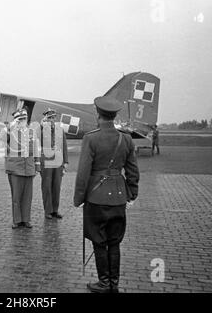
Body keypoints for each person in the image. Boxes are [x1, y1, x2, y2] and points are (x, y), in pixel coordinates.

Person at [73, 95, 139, 293]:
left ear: (98, 114)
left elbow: (83, 172)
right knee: (114, 242)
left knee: (99, 241)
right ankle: (114, 284)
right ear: (114, 115)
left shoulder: (91, 138)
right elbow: (133, 170)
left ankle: (103, 283)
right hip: (118, 197)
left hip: (96, 197)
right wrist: (131, 193)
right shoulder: (126, 139)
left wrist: (78, 198)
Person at [0, 108, 41, 229]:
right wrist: (11, 126)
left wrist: (37, 166)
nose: (23, 121)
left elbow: (36, 150)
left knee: (27, 197)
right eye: (20, 119)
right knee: (16, 196)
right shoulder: (10, 131)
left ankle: (26, 219)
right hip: (15, 168)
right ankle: (17, 220)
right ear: (16, 120)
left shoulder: (32, 132)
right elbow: (1, 139)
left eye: (25, 118)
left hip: (28, 168)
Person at [40, 108, 68, 219]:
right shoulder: (41, 130)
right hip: (46, 162)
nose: (51, 120)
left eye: (53, 118)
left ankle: (55, 210)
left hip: (58, 161)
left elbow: (64, 146)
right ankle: (48, 210)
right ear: (45, 118)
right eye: (49, 118)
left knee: (57, 186)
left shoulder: (60, 130)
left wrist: (65, 162)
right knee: (46, 186)